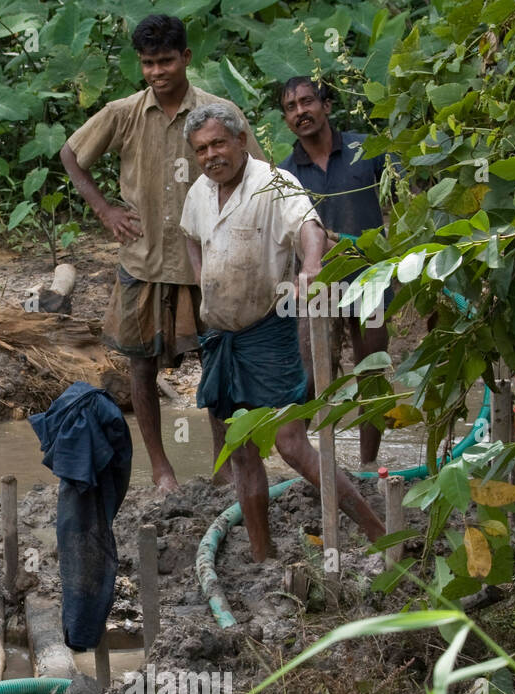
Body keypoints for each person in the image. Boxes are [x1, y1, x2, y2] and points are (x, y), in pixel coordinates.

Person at [60, 13, 262, 493]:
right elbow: (71, 154)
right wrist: (106, 211)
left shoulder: (217, 110)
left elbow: (256, 169)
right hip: (143, 260)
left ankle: (223, 464)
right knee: (141, 366)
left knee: (219, 362)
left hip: (208, 264)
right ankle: (162, 469)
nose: (157, 72)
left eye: (166, 61)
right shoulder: (123, 111)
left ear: (186, 58)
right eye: (149, 63)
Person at [179, 103, 386, 561]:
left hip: (268, 332)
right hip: (220, 338)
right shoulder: (198, 191)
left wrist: (311, 267)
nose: (211, 155)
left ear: (241, 140)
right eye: (201, 149)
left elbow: (309, 226)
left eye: (218, 144)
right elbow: (190, 235)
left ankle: (377, 531)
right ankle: (261, 553)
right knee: (242, 452)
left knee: (291, 444)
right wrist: (200, 279)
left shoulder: (273, 182)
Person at [279, 76, 390, 464]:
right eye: (291, 108)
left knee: (372, 375)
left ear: (326, 106)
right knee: (307, 380)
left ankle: (366, 467)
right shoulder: (285, 174)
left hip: (369, 279)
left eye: (307, 102)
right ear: (286, 119)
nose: (300, 112)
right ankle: (308, 464)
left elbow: (401, 200)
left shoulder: (367, 148)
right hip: (316, 288)